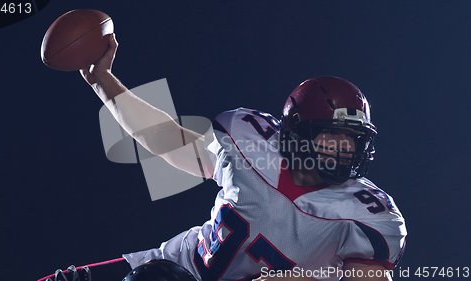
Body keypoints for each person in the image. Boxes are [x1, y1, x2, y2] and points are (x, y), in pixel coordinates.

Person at [49, 33, 407, 281]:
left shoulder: (367, 216)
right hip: (173, 268)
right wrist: (102, 81)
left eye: (353, 141)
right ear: (295, 132)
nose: (345, 150)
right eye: (334, 136)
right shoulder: (248, 141)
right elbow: (167, 139)